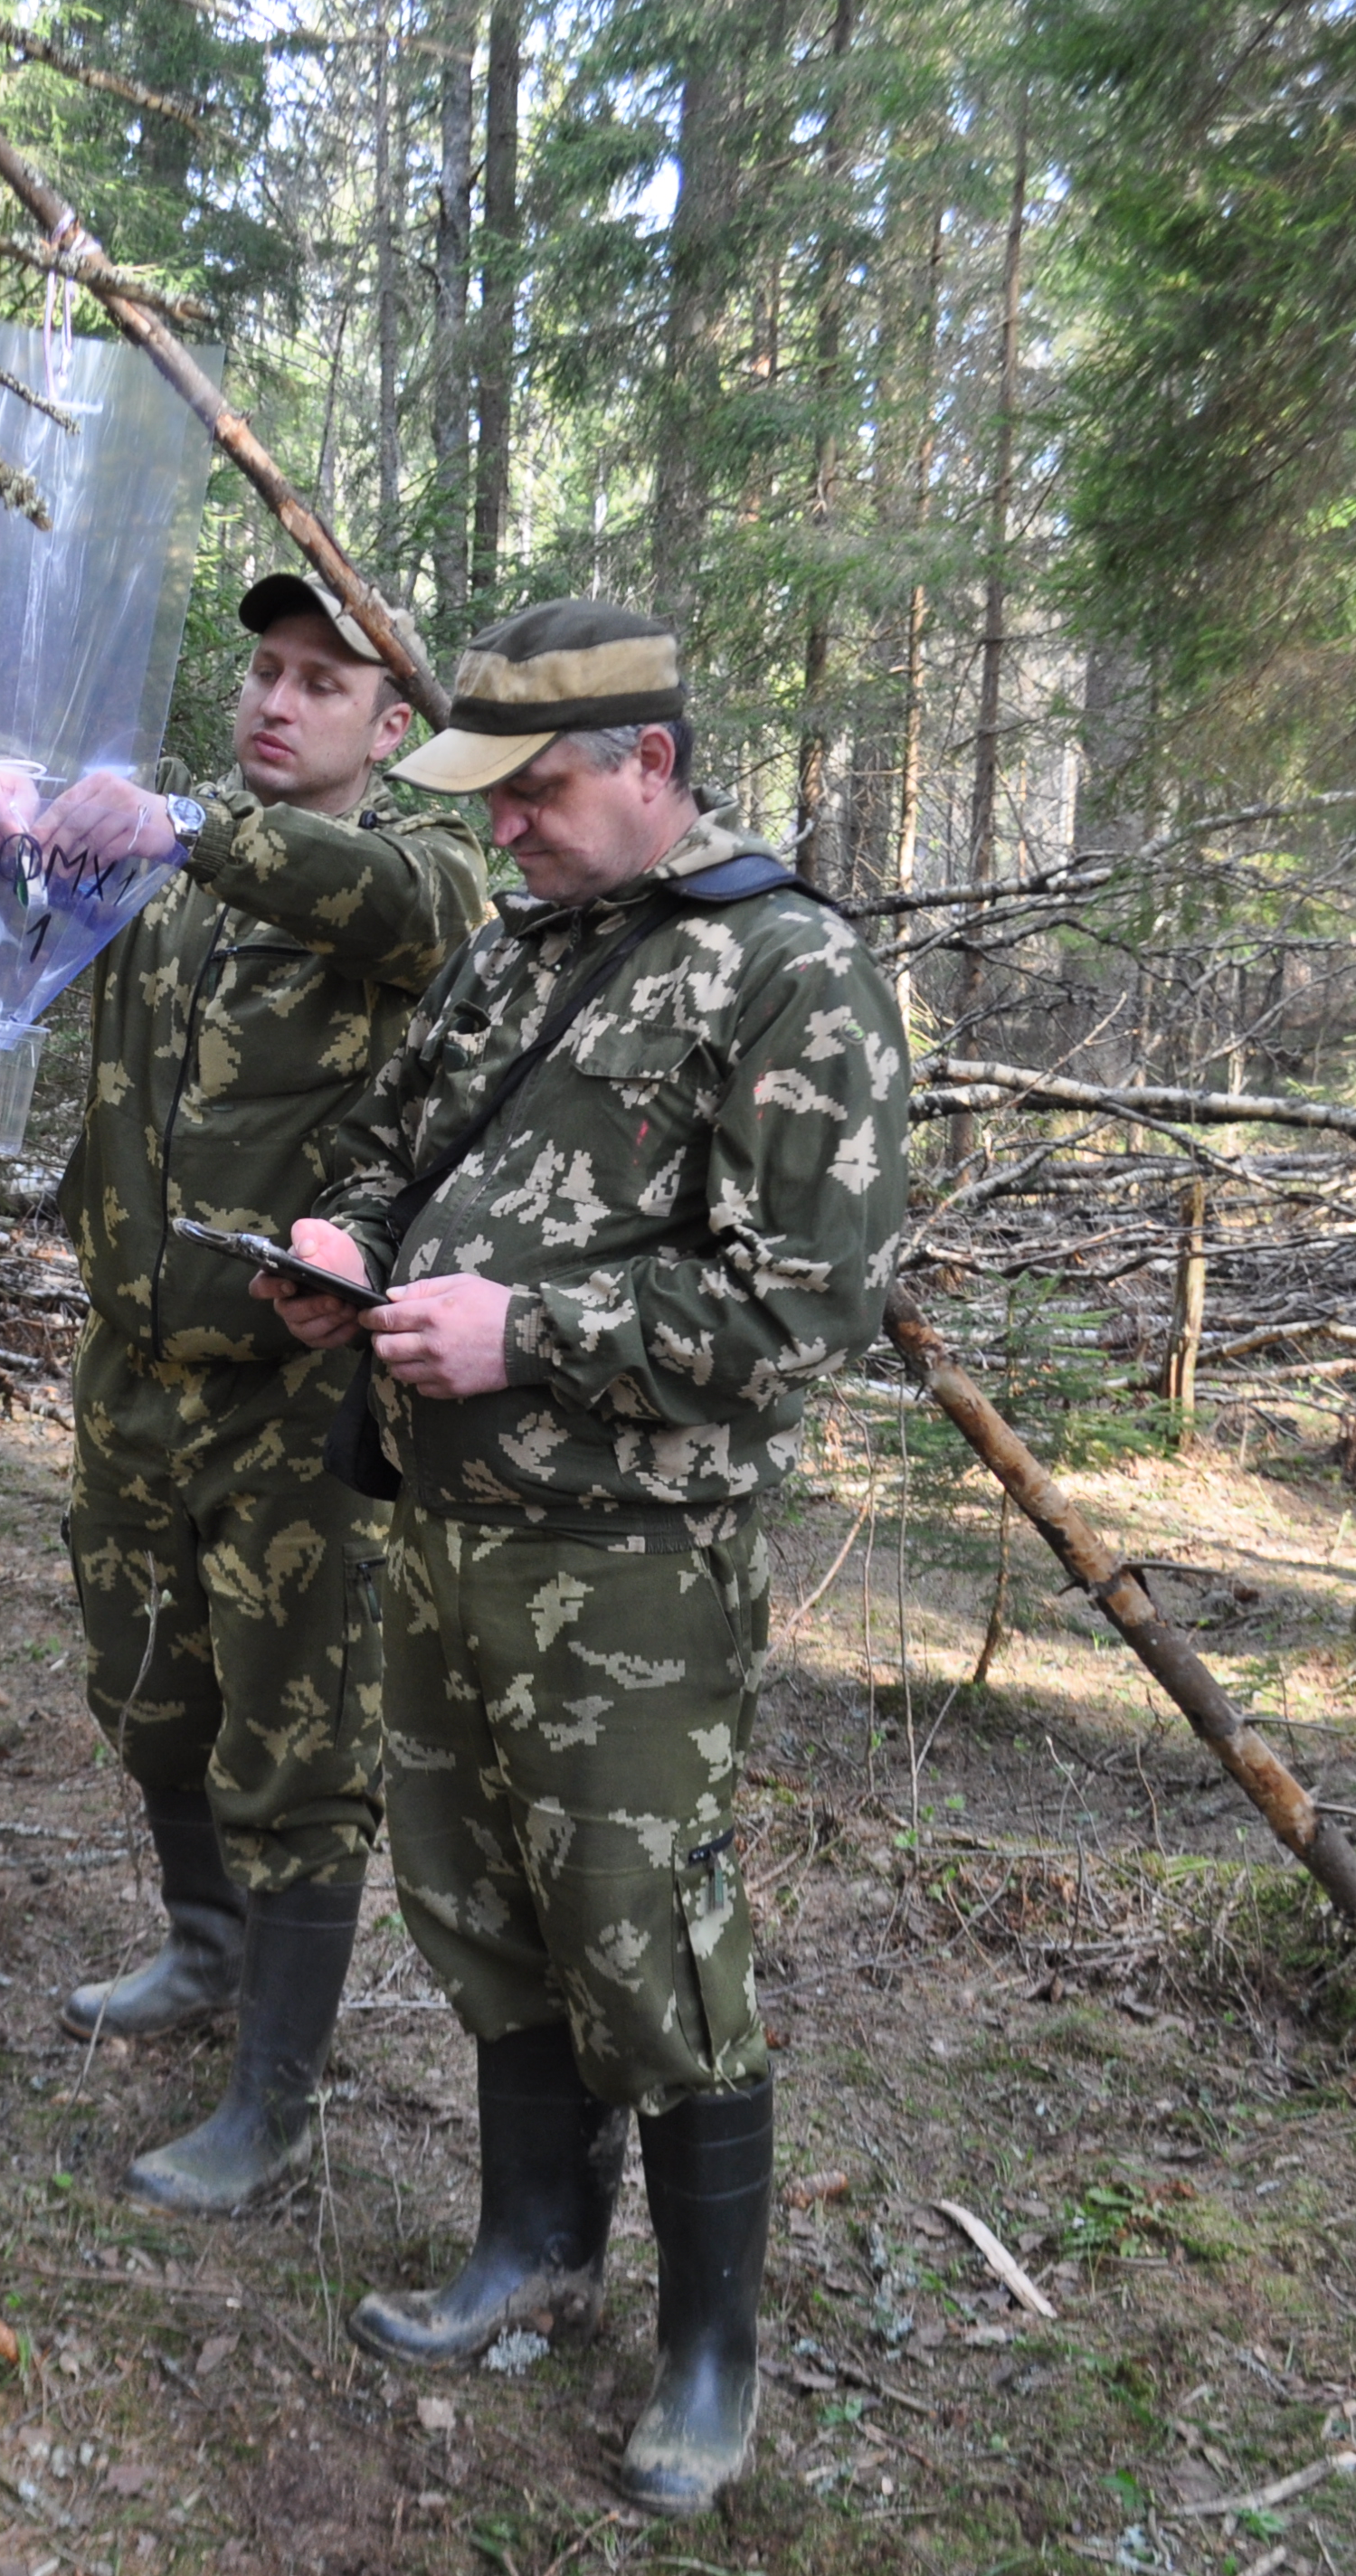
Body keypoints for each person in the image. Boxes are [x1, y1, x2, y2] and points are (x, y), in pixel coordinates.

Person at [256, 598, 906, 2510]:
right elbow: (389, 1134)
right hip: (444, 1523)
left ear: (648, 764)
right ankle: (529, 2241)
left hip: (625, 1560)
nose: (507, 830)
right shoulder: (519, 947)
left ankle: (710, 2353)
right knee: (472, 1901)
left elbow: (805, 1307)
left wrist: (520, 1333)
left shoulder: (788, 972)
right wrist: (340, 1247)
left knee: (643, 1932)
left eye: (534, 792)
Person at [0, 573, 486, 2210]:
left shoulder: (430, 879)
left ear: (395, 731)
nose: (276, 699)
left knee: (299, 1746)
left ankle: (276, 2096)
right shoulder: (159, 886)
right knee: (148, 1692)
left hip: (296, 1399)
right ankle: (200, 1950)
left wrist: (171, 819)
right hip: (132, 1369)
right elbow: (23, 913)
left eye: (323, 683)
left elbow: (386, 905)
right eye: (262, 669)